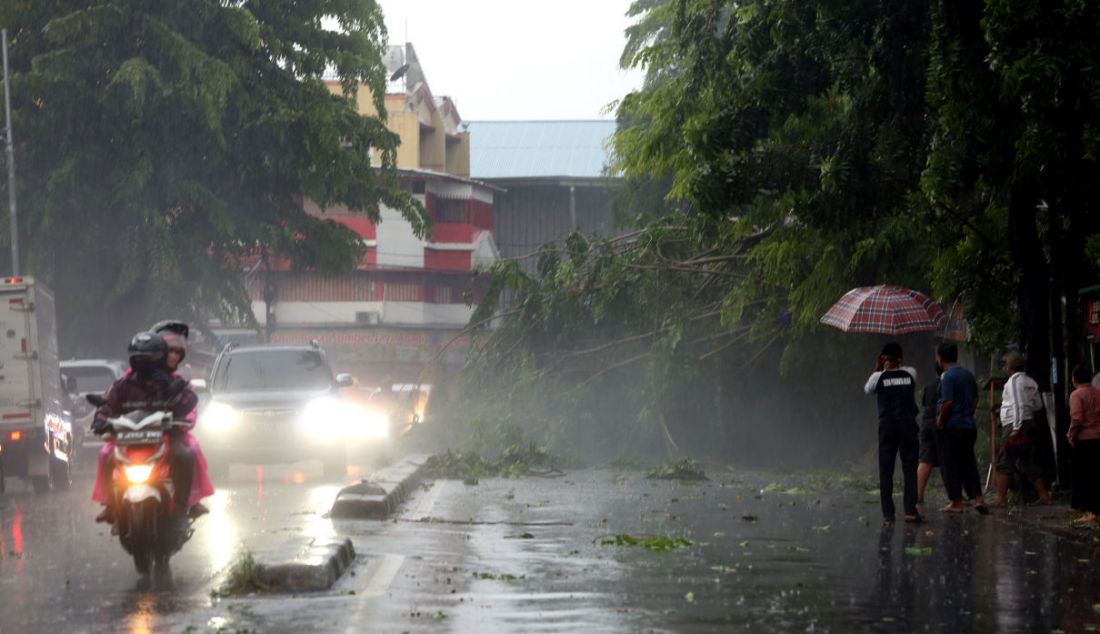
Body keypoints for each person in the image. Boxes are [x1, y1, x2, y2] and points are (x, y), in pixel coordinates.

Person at [91, 332, 198, 535]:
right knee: (106, 457)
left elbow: (189, 401)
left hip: (164, 438)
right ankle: (113, 508)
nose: (144, 364)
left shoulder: (172, 382)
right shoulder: (123, 385)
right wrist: (100, 421)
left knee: (184, 456)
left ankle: (180, 513)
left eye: (148, 359)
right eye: (139, 359)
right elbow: (108, 404)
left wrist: (170, 390)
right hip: (128, 441)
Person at [151, 320, 215, 515]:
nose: (173, 356)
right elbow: (115, 400)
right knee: (108, 453)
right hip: (136, 436)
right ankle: (115, 507)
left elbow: (191, 406)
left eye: (178, 352)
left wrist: (184, 421)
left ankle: (185, 503)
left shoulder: (180, 382)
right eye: (169, 350)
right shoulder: (134, 377)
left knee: (189, 453)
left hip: (170, 436)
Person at [864, 342, 922, 525]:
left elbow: (868, 390)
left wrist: (877, 368)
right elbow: (909, 376)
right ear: (900, 359)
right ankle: (910, 511)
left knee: (886, 470)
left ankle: (888, 515)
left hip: (887, 426)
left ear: (884, 360)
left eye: (885, 359)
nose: (885, 362)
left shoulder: (877, 377)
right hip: (907, 425)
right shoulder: (910, 373)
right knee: (910, 468)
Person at [935, 342, 989, 514]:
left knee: (950, 464)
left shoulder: (947, 376)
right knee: (968, 462)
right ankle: (978, 498)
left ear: (940, 359)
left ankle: (956, 502)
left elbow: (947, 402)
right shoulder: (968, 375)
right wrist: (968, 412)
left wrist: (941, 422)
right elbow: (975, 400)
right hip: (969, 426)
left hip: (953, 426)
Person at [993, 352, 1053, 507]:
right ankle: (1044, 495)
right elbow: (1038, 405)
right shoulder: (1031, 381)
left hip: (1014, 424)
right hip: (1029, 422)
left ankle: (1000, 499)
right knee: (1027, 460)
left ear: (1011, 367)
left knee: (1004, 459)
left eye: (1007, 365)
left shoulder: (1013, 381)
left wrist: (1016, 429)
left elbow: (1018, 404)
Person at [1068, 364, 1100, 525]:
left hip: (1084, 441)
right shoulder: (1097, 393)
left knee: (1084, 476)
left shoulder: (1076, 395)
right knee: (1096, 475)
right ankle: (1097, 511)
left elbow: (1077, 418)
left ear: (1074, 379)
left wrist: (1071, 435)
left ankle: (1089, 512)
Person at [916, 361, 942, 505]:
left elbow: (924, 404)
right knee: (947, 459)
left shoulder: (929, 386)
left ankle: (918, 495)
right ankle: (955, 497)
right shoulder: (947, 384)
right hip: (941, 423)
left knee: (925, 459)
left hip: (927, 423)